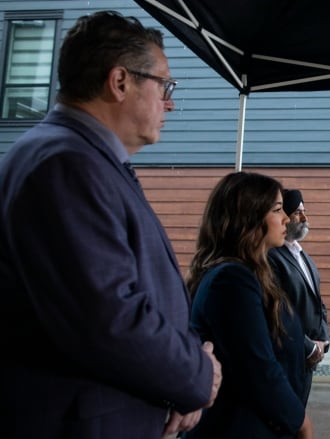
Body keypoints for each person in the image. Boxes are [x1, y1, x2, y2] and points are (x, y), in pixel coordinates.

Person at [0, 10, 221, 439]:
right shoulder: (66, 165)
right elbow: (109, 319)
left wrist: (187, 364)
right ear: (120, 82)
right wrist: (197, 375)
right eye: (164, 86)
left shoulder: (76, 158)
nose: (170, 102)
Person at [185, 172, 314, 439]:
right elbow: (259, 371)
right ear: (249, 217)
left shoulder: (252, 274)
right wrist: (301, 423)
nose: (286, 218)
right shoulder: (231, 281)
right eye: (277, 209)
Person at [269, 189, 330, 406]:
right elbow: (278, 310)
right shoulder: (272, 258)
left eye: (304, 212)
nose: (304, 218)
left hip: (308, 359)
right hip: (288, 355)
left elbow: (317, 302)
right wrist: (309, 347)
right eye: (297, 212)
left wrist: (323, 339)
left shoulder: (303, 256)